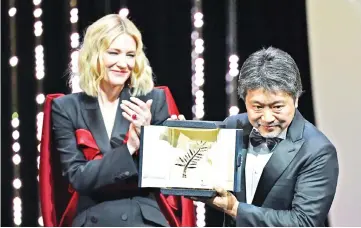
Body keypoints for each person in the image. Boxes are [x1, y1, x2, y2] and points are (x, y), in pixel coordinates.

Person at [51, 14, 183, 226]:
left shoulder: (152, 101)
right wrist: (130, 147)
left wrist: (157, 138)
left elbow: (164, 174)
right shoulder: (66, 107)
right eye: (114, 53)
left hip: (141, 218)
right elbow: (78, 178)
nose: (123, 64)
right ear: (94, 56)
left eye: (130, 55)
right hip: (92, 216)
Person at [203, 47, 339, 226]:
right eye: (257, 107)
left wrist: (236, 209)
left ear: (296, 99)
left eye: (277, 107)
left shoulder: (317, 150)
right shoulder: (233, 126)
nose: (267, 118)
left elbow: (303, 222)